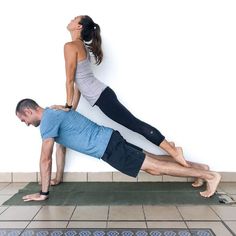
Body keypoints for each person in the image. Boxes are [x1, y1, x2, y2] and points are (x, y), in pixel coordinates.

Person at [51, 15, 189, 185]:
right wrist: (71, 108)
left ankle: (173, 150)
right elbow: (79, 85)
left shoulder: (70, 46)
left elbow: (70, 80)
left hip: (103, 96)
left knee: (134, 124)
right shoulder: (80, 46)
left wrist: (67, 105)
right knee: (134, 124)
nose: (70, 20)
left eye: (74, 19)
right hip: (104, 94)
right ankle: (172, 149)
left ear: (79, 27)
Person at [15, 99, 221, 201]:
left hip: (107, 147)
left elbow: (45, 159)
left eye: (23, 119)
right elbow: (61, 149)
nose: (25, 123)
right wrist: (58, 178)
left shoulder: (48, 121)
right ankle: (199, 168)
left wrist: (43, 193)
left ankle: (209, 175)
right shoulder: (53, 114)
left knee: (155, 168)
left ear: (29, 110)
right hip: (110, 138)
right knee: (153, 160)